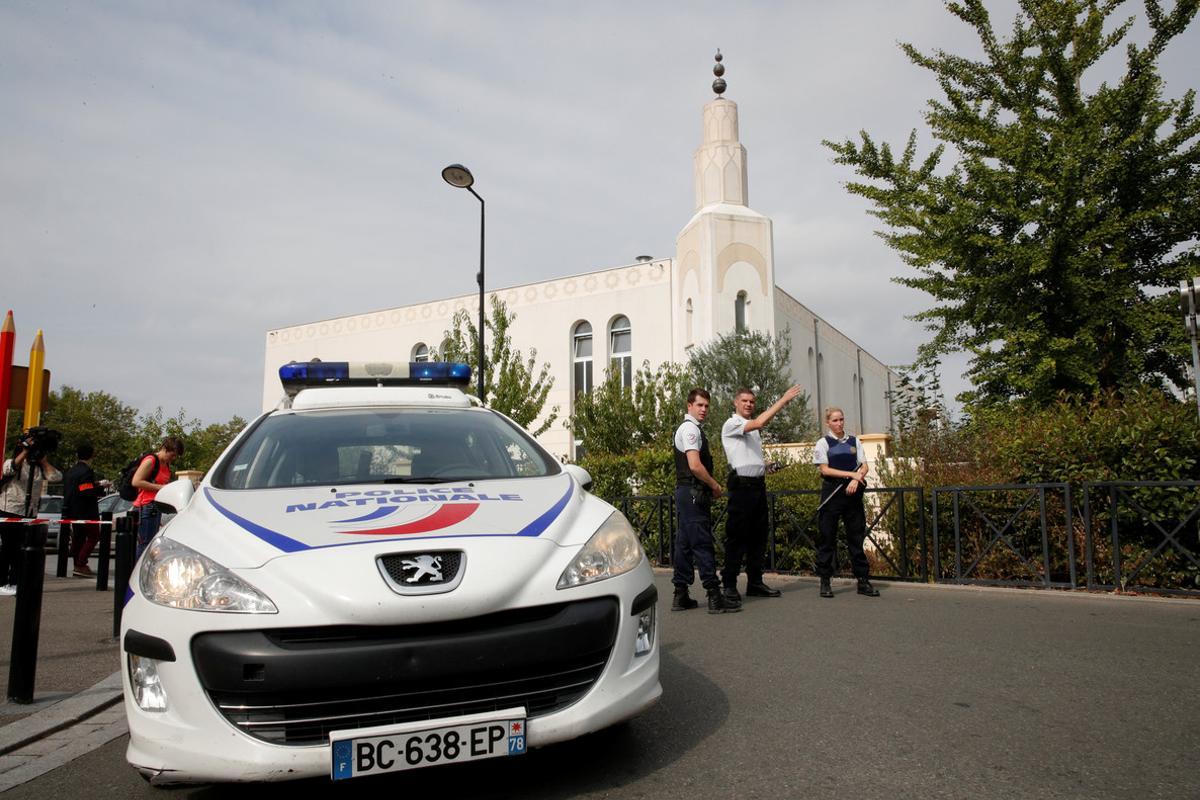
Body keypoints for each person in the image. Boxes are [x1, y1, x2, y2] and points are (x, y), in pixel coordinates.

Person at [720, 384, 804, 606]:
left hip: (757, 484)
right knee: (736, 537)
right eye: (745, 401)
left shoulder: (752, 430)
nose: (749, 404)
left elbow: (749, 458)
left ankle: (755, 582)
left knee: (758, 536)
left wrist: (765, 466)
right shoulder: (732, 423)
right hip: (741, 485)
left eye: (752, 401)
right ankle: (728, 585)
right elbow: (759, 422)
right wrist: (783, 399)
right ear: (735, 403)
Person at [672, 389, 739, 614]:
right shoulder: (690, 429)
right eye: (699, 405)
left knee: (684, 543)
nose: (704, 410)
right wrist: (715, 485)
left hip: (686, 492)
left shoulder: (689, 428)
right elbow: (695, 465)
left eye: (706, 406)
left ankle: (680, 594)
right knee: (701, 543)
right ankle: (714, 595)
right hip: (693, 492)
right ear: (689, 405)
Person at [812, 407, 879, 598]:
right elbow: (824, 470)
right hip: (832, 493)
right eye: (835, 420)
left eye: (841, 419)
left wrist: (856, 480)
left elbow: (864, 466)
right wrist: (852, 475)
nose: (839, 423)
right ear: (828, 423)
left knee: (856, 538)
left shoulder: (854, 441)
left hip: (853, 493)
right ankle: (825, 581)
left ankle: (863, 581)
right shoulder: (822, 443)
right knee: (827, 538)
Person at [0, 432, 62, 596]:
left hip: (30, 511)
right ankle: (2, 581)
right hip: (10, 509)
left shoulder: (39, 466)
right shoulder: (15, 462)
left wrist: (43, 461)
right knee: (8, 548)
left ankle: (16, 581)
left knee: (22, 549)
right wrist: (25, 451)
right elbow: (8, 469)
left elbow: (56, 477)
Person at [132, 437, 185, 558]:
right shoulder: (151, 461)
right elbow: (136, 481)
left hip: (155, 507)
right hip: (145, 506)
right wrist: (161, 488)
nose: (173, 458)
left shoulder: (166, 464)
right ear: (165, 449)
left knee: (150, 544)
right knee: (145, 545)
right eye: (172, 455)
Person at [62, 442, 101, 578]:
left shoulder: (70, 471)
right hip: (86, 511)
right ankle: (81, 563)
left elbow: (75, 489)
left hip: (71, 509)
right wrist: (98, 488)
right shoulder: (86, 471)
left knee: (78, 538)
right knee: (94, 536)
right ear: (91, 455)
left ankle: (76, 564)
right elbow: (86, 491)